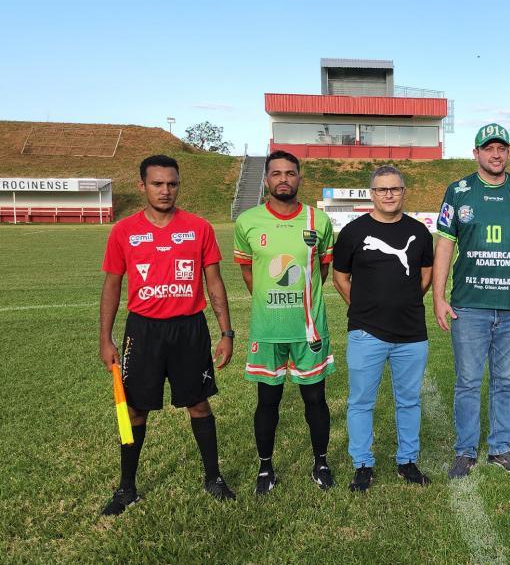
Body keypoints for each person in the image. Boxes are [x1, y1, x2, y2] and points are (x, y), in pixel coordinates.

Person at [98, 154, 235, 515]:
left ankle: (214, 478)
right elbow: (112, 285)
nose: (165, 190)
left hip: (189, 329)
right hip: (142, 331)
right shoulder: (124, 231)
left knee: (199, 403)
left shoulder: (199, 227)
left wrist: (226, 332)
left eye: (172, 183)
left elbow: (214, 281)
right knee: (135, 410)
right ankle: (127, 487)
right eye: (157, 183)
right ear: (142, 186)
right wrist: (105, 338)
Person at [433, 123, 510, 478]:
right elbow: (444, 245)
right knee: (468, 380)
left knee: (505, 379)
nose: (496, 154)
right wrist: (438, 297)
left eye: (501, 148)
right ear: (476, 153)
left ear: (508, 152)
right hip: (469, 306)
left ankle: (500, 448)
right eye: (488, 148)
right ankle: (465, 451)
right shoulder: (459, 192)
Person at [234, 150, 336, 493]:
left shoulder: (317, 221)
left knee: (315, 400)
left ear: (299, 179)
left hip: (309, 328)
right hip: (268, 329)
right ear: (266, 179)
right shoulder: (247, 222)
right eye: (276, 173)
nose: (283, 179)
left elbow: (322, 271)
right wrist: (269, 301)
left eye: (290, 173)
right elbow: (248, 271)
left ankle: (320, 461)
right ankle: (265, 468)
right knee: (267, 401)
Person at [333, 165, 434, 492]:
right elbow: (340, 277)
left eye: (394, 189)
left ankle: (407, 461)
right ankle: (363, 464)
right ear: (372, 194)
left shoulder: (420, 233)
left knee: (408, 401)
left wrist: (404, 301)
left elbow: (426, 275)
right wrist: (364, 308)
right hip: (366, 333)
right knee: (361, 402)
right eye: (381, 189)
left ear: (404, 192)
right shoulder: (352, 233)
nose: (388, 194)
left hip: (411, 334)